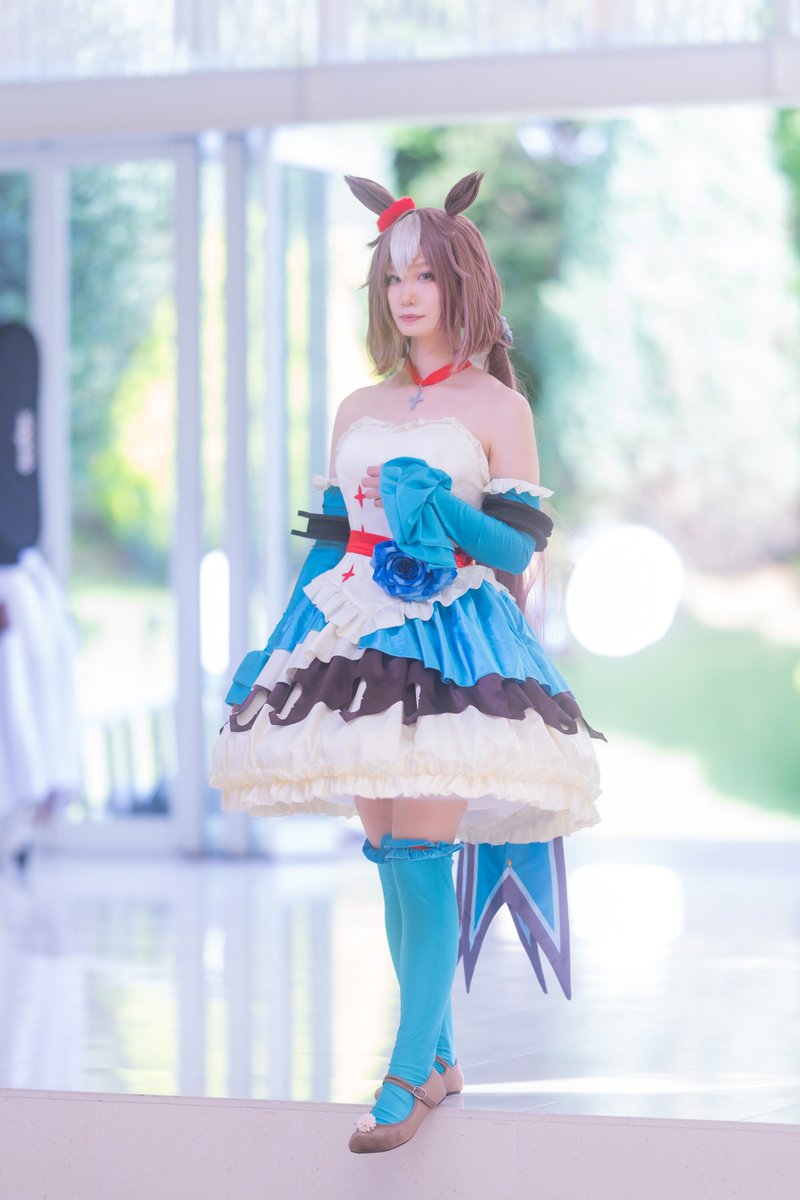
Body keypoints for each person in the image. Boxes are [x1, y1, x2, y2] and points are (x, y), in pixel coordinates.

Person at [210, 170, 605, 1154]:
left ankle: (404, 1073)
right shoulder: (357, 407)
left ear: (461, 280)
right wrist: (275, 644)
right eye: (393, 278)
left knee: (423, 858)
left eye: (425, 274)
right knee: (390, 860)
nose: (407, 294)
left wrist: (440, 509)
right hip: (349, 644)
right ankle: (436, 1057)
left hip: (450, 644)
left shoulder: (496, 407)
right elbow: (331, 540)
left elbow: (516, 548)